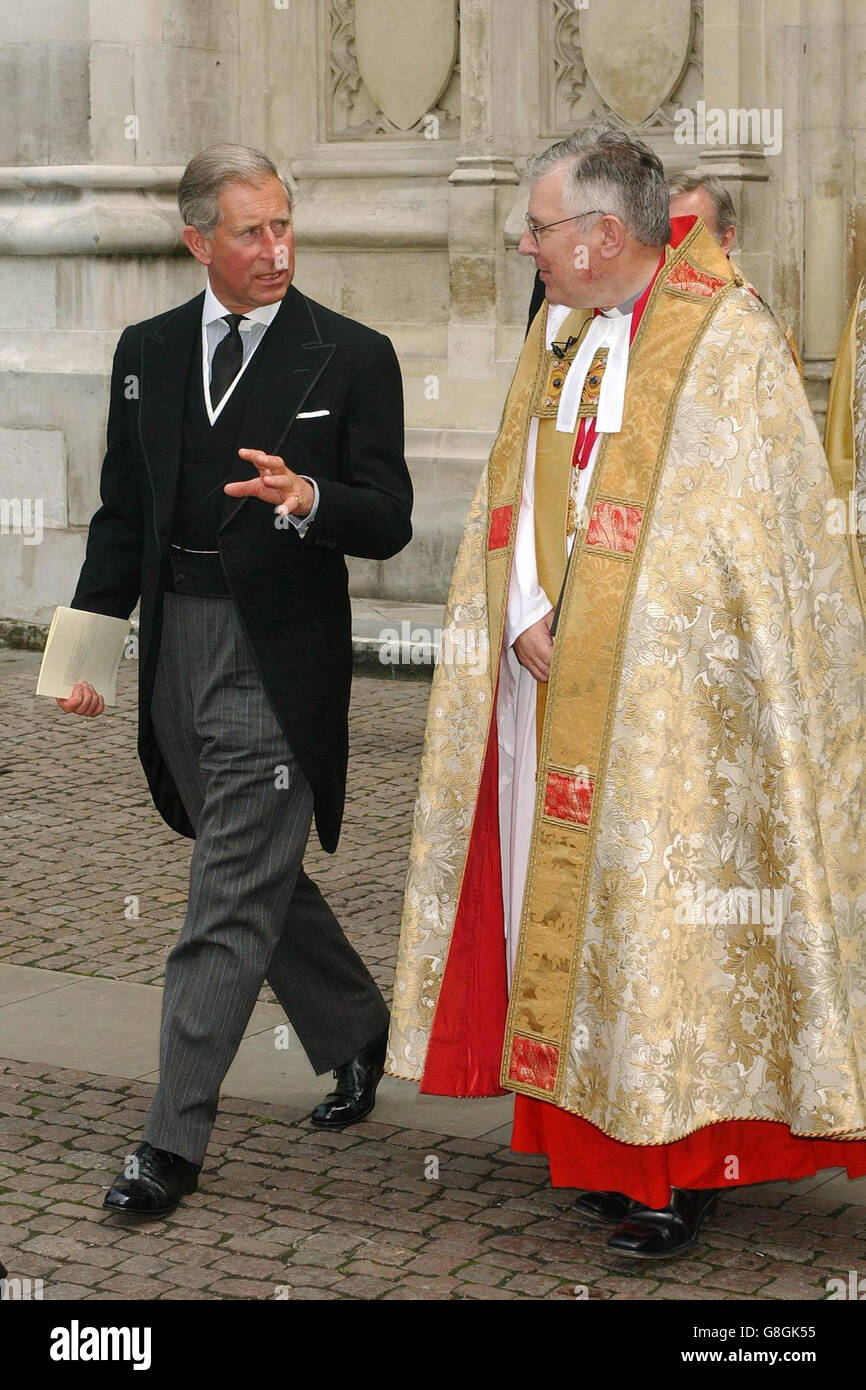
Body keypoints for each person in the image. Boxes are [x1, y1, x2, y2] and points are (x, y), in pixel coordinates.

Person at [387, 127, 866, 1260]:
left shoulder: (727, 343)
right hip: (549, 685)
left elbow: (744, 550)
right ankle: (592, 1149)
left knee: (658, 943)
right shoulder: (553, 330)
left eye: (539, 228)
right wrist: (519, 613)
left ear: (603, 233)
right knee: (562, 924)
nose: (525, 246)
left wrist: (609, 635)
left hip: (670, 721)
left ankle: (672, 1169)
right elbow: (510, 491)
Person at [58, 143, 413, 1217]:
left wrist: (307, 495)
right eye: (251, 231)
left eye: (284, 225)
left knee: (220, 903)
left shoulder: (349, 354)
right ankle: (353, 1024)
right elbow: (123, 514)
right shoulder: (146, 350)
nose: (277, 249)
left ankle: (170, 1141)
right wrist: (85, 654)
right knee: (246, 862)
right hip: (177, 647)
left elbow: (388, 517)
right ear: (195, 239)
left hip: (276, 657)